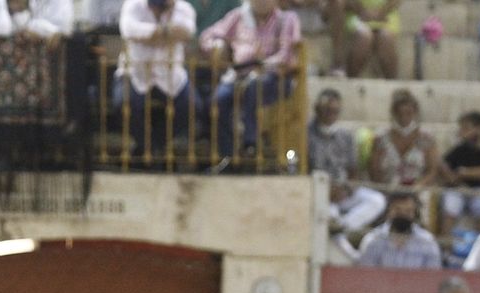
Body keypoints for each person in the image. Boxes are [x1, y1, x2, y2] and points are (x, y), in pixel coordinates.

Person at [200, 0, 301, 161]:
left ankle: (250, 144)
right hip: (240, 76)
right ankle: (228, 156)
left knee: (255, 88)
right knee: (217, 100)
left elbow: (286, 55)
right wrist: (217, 45)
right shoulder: (238, 16)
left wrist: (261, 64)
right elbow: (207, 36)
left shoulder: (287, 19)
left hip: (274, 78)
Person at [115, 0, 200, 158]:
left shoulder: (184, 8)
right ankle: (153, 151)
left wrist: (153, 34)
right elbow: (129, 30)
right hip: (135, 72)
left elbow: (187, 32)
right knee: (123, 104)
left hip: (171, 75)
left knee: (193, 106)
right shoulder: (133, 5)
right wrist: (167, 32)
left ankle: (149, 149)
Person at [308, 89, 386, 258]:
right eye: (327, 110)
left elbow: (353, 169)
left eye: (335, 111)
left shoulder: (345, 136)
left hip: (342, 191)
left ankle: (341, 227)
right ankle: (350, 255)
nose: (330, 115)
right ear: (317, 109)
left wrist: (347, 189)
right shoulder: (306, 135)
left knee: (376, 200)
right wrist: (326, 192)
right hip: (318, 191)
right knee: (330, 213)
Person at [438, 111, 480, 239]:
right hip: (460, 189)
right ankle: (446, 249)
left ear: (479, 129)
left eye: (466, 128)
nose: (462, 132)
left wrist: (464, 172)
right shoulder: (459, 150)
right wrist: (456, 180)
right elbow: (443, 166)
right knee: (450, 205)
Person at [367, 88, 439, 189]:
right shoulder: (381, 137)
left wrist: (417, 187)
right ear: (394, 112)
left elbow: (432, 171)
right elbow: (374, 171)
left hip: (417, 189)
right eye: (400, 113)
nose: (404, 117)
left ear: (415, 112)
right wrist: (389, 189)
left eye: (408, 113)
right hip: (388, 188)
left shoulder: (427, 138)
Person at [356, 191, 442, 268]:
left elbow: (431, 278)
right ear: (389, 211)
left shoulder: (427, 242)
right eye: (398, 210)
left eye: (408, 211)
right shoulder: (373, 240)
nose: (403, 215)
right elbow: (367, 276)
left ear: (414, 213)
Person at [342, 0, 399, 79]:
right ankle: (351, 80)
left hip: (386, 15)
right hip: (356, 14)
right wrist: (362, 11)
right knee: (364, 37)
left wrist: (381, 13)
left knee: (386, 37)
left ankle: (392, 84)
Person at [7, 0, 73, 38]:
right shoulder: (34, 2)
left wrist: (31, 28)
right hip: (31, 37)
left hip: (53, 40)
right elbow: (29, 18)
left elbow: (63, 29)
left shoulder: (62, 2)